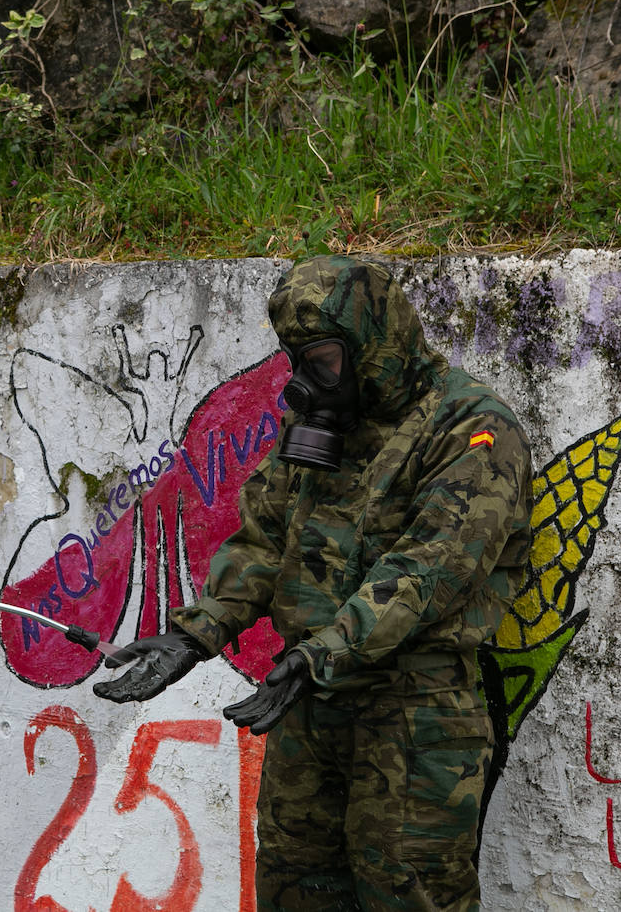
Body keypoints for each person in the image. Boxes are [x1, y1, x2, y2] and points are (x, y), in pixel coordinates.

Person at [93, 255, 532, 911]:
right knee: (297, 888)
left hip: (414, 712)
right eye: (297, 360)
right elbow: (267, 536)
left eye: (323, 360)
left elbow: (428, 570)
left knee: (407, 892)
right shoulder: (319, 426)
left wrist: (321, 653)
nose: (307, 382)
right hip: (308, 701)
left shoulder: (471, 430)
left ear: (374, 345)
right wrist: (200, 632)